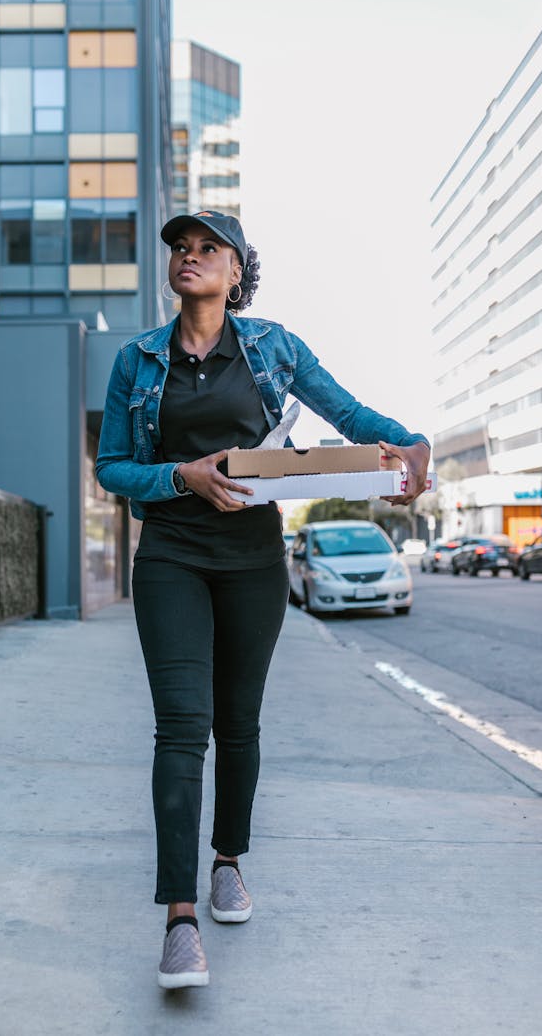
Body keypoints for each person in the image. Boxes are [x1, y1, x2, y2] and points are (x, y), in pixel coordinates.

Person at [95, 211, 430, 989]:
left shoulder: (275, 347)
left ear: (237, 270)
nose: (190, 256)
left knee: (238, 723)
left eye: (208, 247)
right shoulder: (136, 360)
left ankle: (228, 863)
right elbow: (112, 466)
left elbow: (348, 413)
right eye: (181, 247)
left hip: (252, 558)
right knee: (182, 727)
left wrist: (411, 442)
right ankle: (180, 918)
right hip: (171, 554)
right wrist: (181, 476)